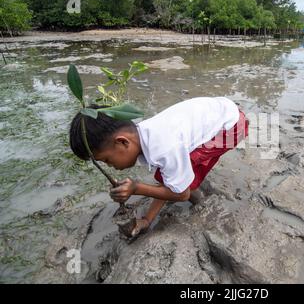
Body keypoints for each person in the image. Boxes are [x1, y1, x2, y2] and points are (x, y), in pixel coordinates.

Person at [69, 97, 248, 237]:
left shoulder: (164, 146)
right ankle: (186, 189)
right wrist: (147, 220)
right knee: (173, 174)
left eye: (107, 160)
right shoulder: (144, 133)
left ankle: (198, 198)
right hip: (220, 110)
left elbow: (180, 194)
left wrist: (137, 188)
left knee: (186, 178)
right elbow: (167, 177)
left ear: (123, 142)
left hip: (230, 127)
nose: (111, 166)